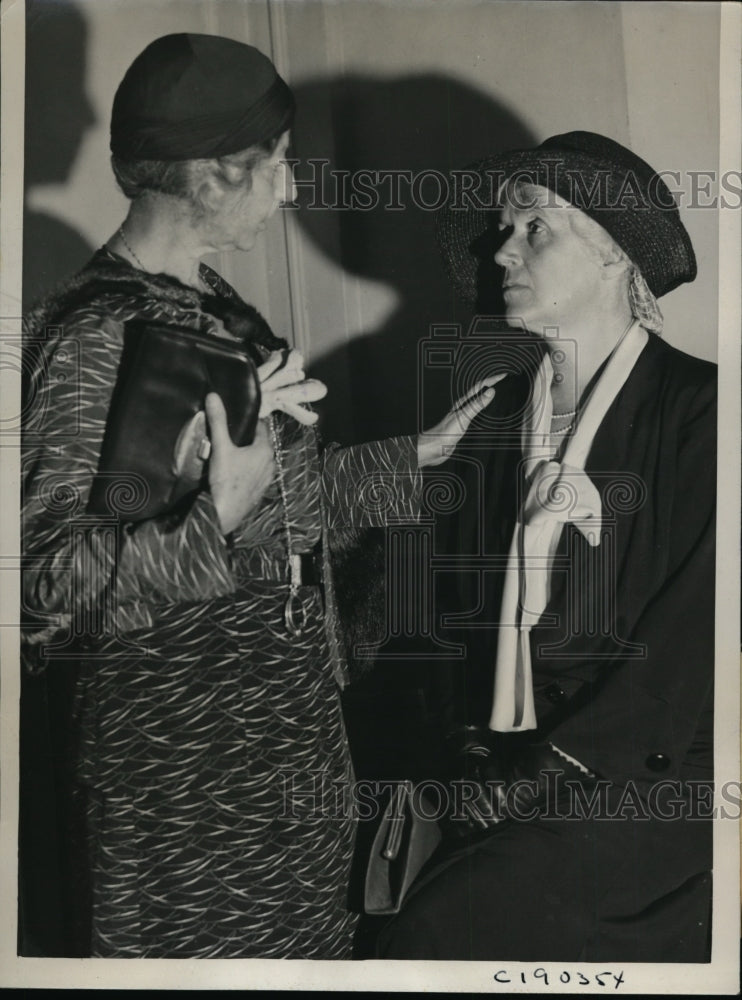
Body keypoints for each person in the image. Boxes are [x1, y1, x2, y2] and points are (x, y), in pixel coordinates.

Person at [19, 33, 497, 959]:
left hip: (280, 758)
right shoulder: (92, 337)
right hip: (182, 795)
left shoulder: (214, 309)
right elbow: (42, 586)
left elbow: (271, 511)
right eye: (275, 164)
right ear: (209, 174)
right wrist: (217, 517)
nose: (291, 187)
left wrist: (415, 458)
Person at [377, 131, 716, 961]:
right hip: (493, 781)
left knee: (431, 935)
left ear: (616, 256)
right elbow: (442, 617)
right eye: (503, 230)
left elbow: (694, 645)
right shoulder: (488, 424)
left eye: (535, 229)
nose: (503, 250)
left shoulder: (705, 413)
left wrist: (552, 764)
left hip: (638, 789)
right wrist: (463, 748)